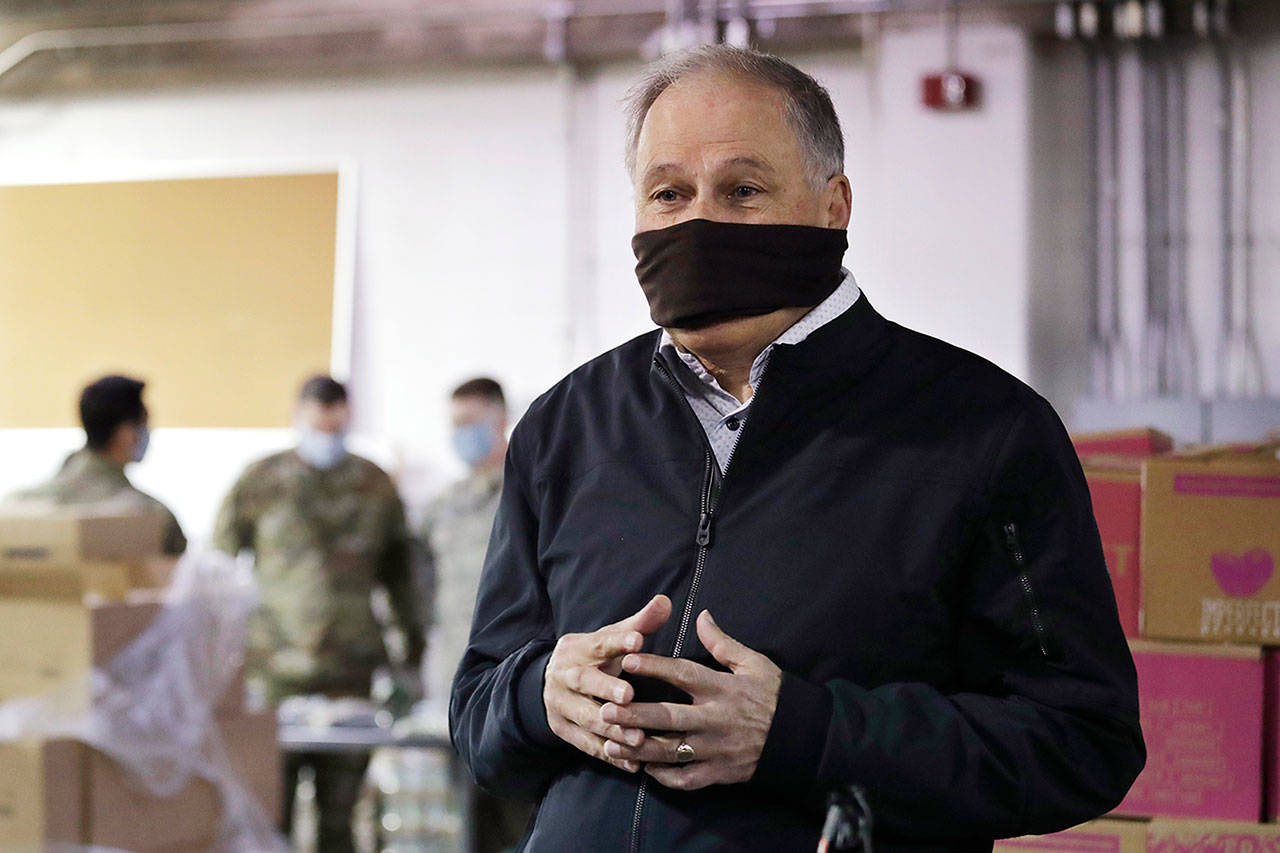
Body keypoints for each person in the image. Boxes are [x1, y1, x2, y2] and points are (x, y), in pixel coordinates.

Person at [451, 45, 1144, 851]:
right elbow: (475, 714)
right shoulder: (565, 426)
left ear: (832, 205)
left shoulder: (981, 429)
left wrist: (809, 735)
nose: (697, 221)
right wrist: (539, 695)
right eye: (667, 193)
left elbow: (1083, 739)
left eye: (742, 191)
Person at [212, 375, 424, 853]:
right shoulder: (261, 481)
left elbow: (402, 578)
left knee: (340, 819)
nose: (328, 435)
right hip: (273, 672)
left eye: (337, 425)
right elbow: (219, 571)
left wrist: (412, 656)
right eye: (319, 424)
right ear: (299, 416)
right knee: (269, 814)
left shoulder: (375, 484)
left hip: (350, 672)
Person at [419, 377, 533, 852]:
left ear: (499, 420)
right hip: (458, 690)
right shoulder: (442, 508)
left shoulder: (530, 492)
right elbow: (423, 593)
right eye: (455, 424)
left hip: (516, 689)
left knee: (521, 824)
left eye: (470, 422)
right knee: (465, 827)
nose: (461, 434)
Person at [6, 374, 186, 555]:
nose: (147, 433)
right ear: (127, 433)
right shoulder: (153, 516)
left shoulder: (15, 503)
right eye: (144, 423)